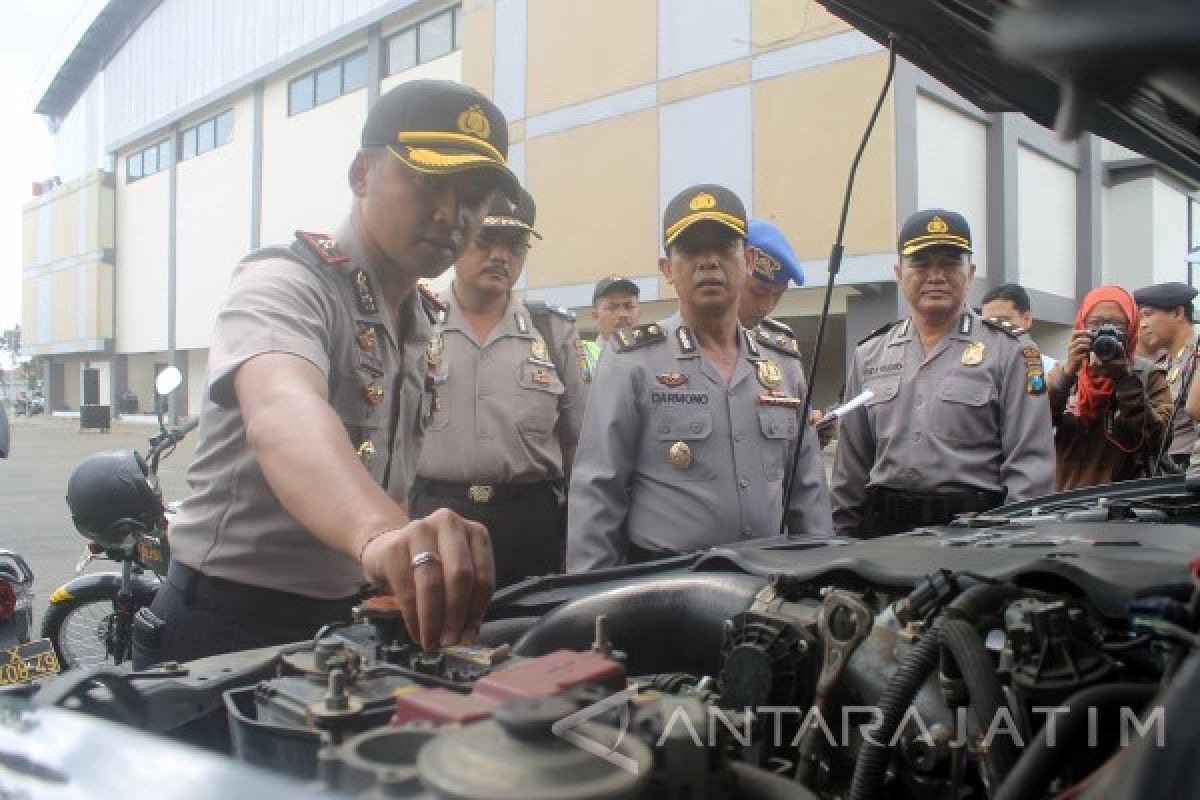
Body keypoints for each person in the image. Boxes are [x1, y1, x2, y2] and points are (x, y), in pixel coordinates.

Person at [134, 80, 516, 667]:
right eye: (428, 180)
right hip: (227, 621)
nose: (453, 213)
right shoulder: (285, 283)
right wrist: (383, 536)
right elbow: (283, 412)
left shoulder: (420, 318)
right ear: (361, 174)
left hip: (347, 618)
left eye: (476, 194)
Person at [566, 184, 833, 570]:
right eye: (691, 250)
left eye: (725, 249)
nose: (709, 263)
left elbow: (807, 492)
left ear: (749, 259)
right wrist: (593, 604)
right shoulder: (632, 361)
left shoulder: (783, 365)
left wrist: (819, 583)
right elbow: (597, 492)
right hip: (666, 587)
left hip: (767, 591)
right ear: (667, 269)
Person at [831, 209, 1055, 538]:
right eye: (921, 264)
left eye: (950, 263)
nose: (936, 276)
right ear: (898, 272)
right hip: (884, 538)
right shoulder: (869, 355)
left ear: (971, 272)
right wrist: (840, 544)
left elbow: (1030, 469)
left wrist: (1013, 554)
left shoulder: (1010, 351)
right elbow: (849, 470)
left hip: (975, 537)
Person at [411, 187, 587, 588]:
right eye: (486, 241)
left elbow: (579, 444)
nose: (500, 257)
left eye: (515, 247)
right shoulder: (415, 322)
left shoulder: (552, 331)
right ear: (458, 241)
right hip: (434, 518)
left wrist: (574, 538)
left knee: (531, 643)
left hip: (530, 524)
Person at [1048, 286, 1173, 489]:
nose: (1106, 333)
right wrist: (1067, 376)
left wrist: (1125, 381)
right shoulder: (1065, 373)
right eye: (1095, 324)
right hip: (1068, 502)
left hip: (1128, 504)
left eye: (1117, 325)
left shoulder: (1149, 376)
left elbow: (1160, 440)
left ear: (1132, 328)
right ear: (1081, 326)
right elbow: (1034, 426)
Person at [1134, 281, 1199, 471]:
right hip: (1166, 468)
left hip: (1188, 469)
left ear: (1178, 313)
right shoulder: (1165, 363)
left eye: (1148, 315)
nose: (1143, 325)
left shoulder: (1195, 358)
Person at [980, 282, 1058, 374]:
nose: (994, 328)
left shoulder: (1053, 373)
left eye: (1003, 321)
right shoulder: (972, 371)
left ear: (1027, 319)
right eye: (987, 323)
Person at [583, 276, 640, 372]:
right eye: (612, 308)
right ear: (595, 315)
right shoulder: (582, 358)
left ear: (639, 312)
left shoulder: (654, 353)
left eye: (629, 306)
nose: (623, 314)